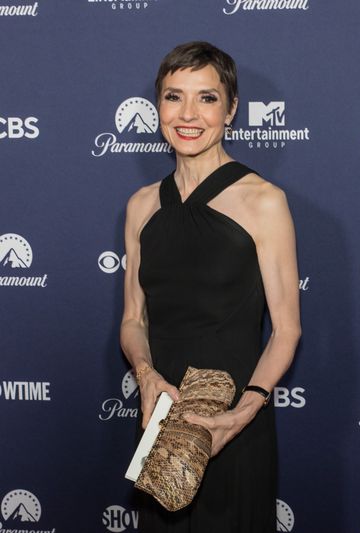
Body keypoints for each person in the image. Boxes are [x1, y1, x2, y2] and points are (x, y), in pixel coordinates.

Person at [120, 41, 301, 533]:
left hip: (235, 420)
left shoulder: (263, 201)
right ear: (158, 106)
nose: (188, 114)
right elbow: (134, 319)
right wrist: (146, 375)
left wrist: (243, 412)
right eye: (174, 96)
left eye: (207, 97)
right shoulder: (141, 206)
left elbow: (286, 331)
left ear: (232, 109)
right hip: (159, 419)